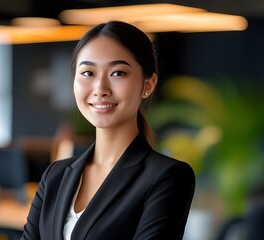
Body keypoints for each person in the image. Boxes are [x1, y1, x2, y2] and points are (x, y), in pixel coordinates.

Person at [20, 20, 195, 240]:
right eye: (88, 73)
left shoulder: (167, 177)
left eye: (118, 73)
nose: (100, 89)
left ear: (148, 85)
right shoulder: (55, 175)